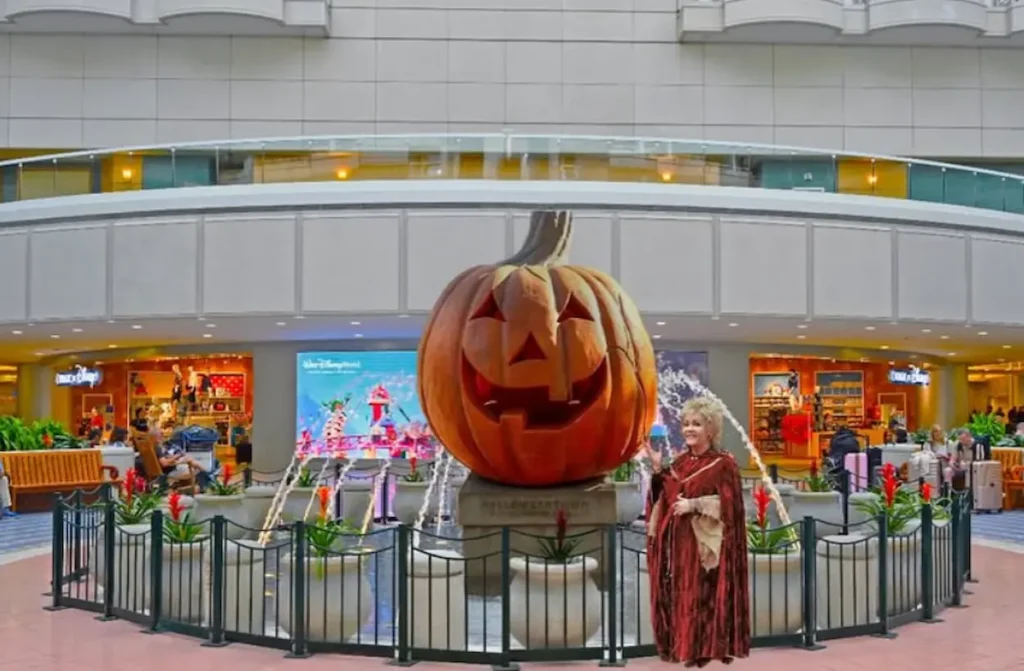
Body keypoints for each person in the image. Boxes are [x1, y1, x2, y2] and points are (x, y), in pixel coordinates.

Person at [644, 396, 749, 666]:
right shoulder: (680, 462)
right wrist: (657, 469)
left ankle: (703, 648)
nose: (689, 429)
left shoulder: (724, 463)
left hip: (705, 547)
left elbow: (731, 505)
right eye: (686, 424)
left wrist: (695, 504)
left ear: (710, 429)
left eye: (697, 424)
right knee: (684, 595)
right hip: (679, 544)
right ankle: (684, 646)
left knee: (702, 596)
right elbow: (667, 494)